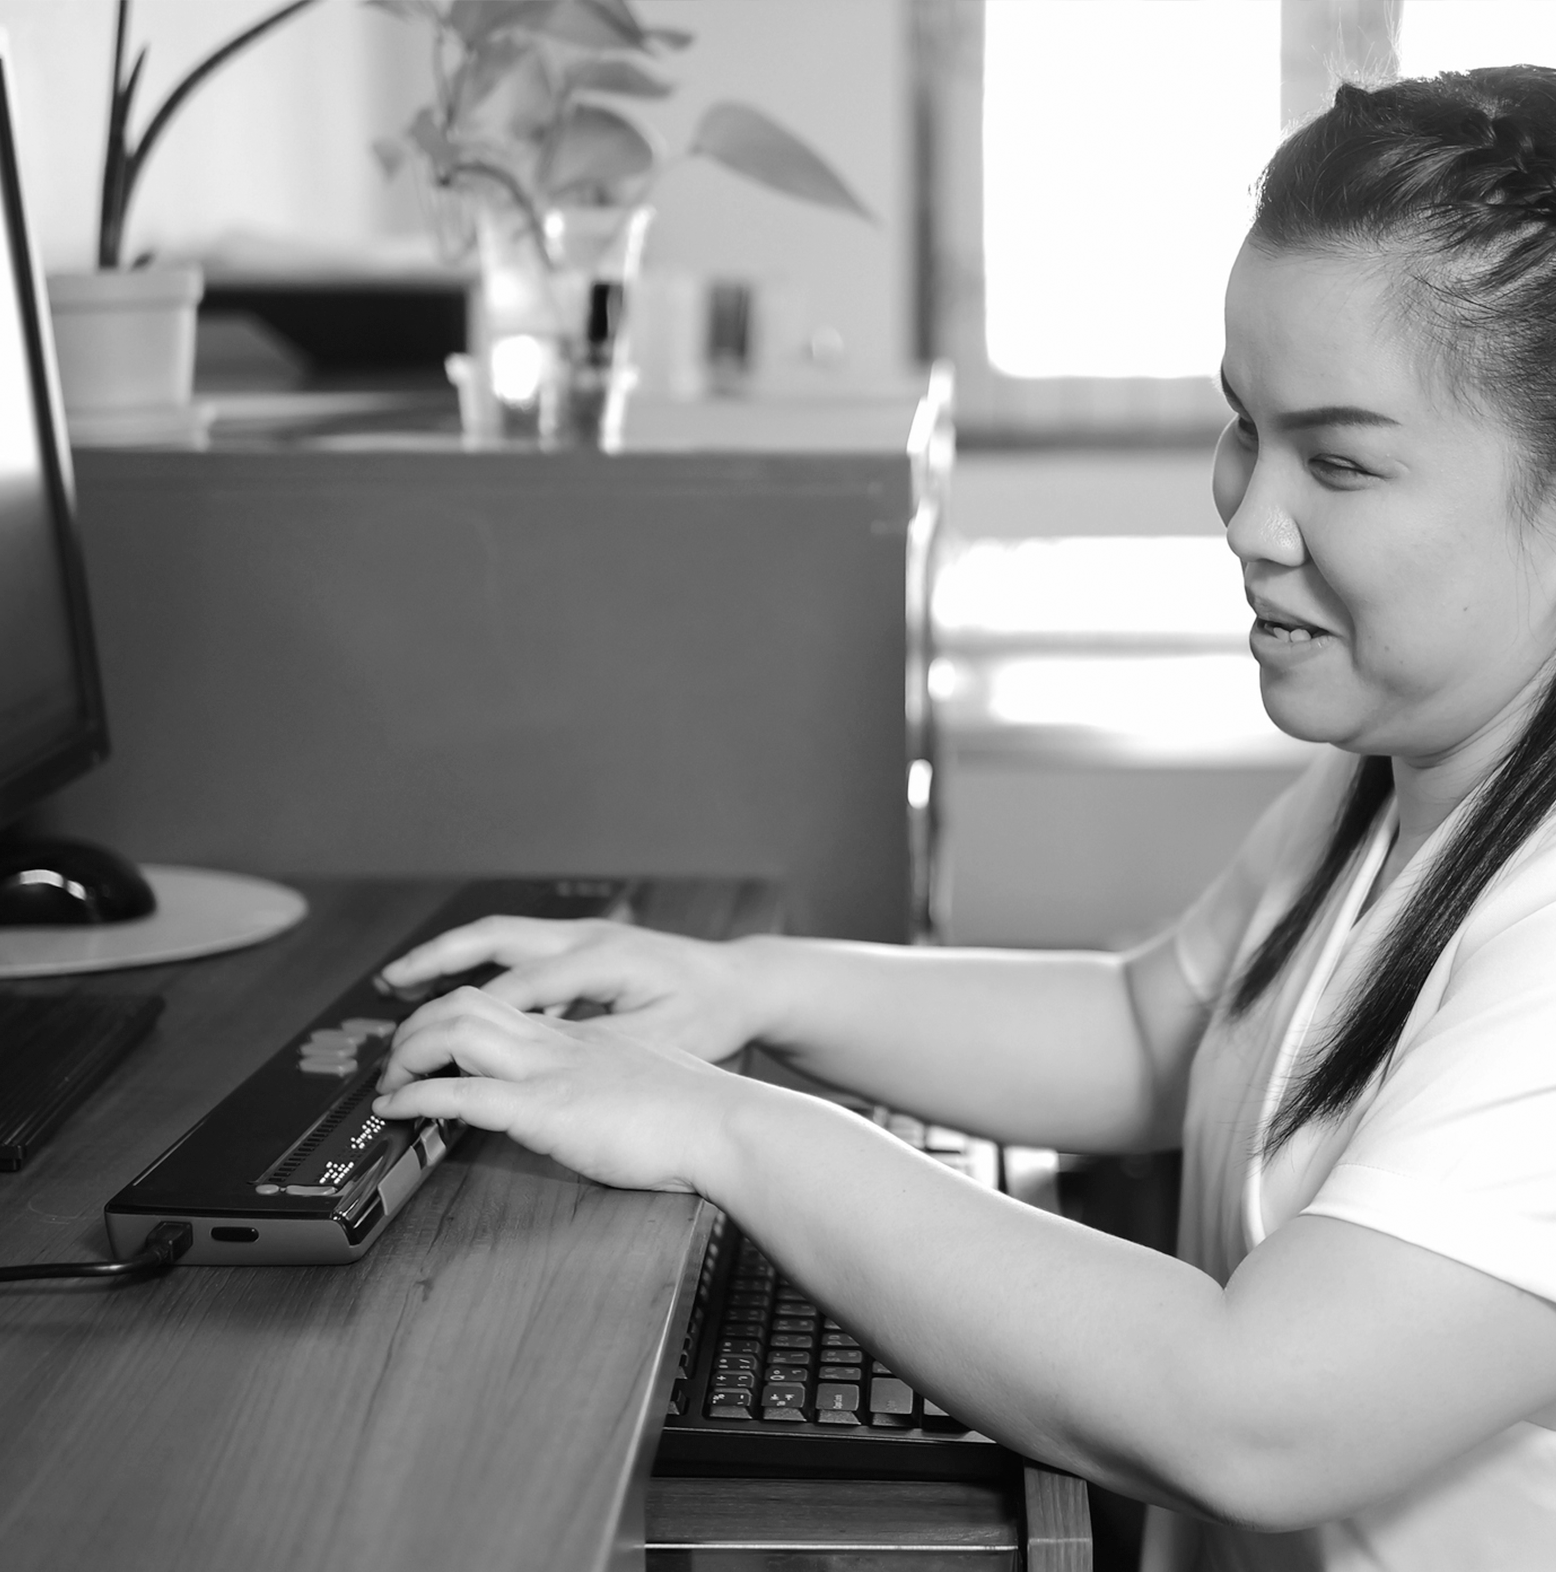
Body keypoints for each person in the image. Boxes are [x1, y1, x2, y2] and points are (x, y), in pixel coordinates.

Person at [373, 69, 1556, 1571]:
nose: (1249, 518)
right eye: (1243, 426)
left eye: (1341, 461)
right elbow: (1153, 1034)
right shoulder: (1405, 768)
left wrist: (728, 1128)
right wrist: (743, 992)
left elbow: (1251, 1417)